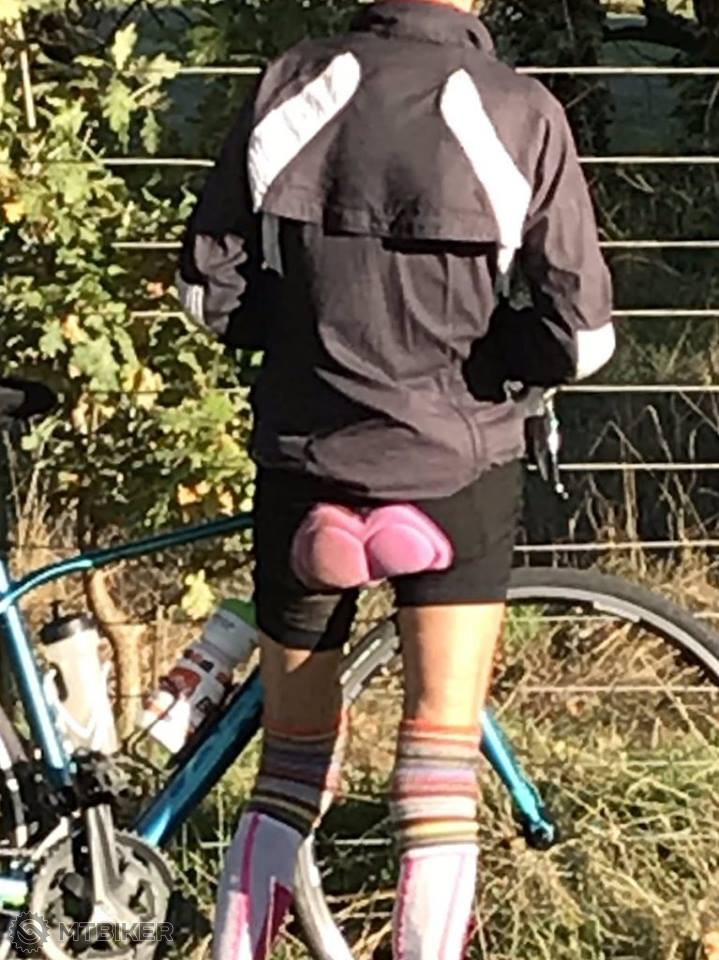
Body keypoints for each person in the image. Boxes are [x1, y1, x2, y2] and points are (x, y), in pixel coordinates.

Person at [177, 0, 615, 955]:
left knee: (289, 766)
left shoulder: (292, 82)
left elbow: (207, 292)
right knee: (439, 764)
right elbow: (579, 338)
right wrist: (492, 360)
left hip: (307, 460)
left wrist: (294, 344)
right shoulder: (519, 110)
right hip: (454, 465)